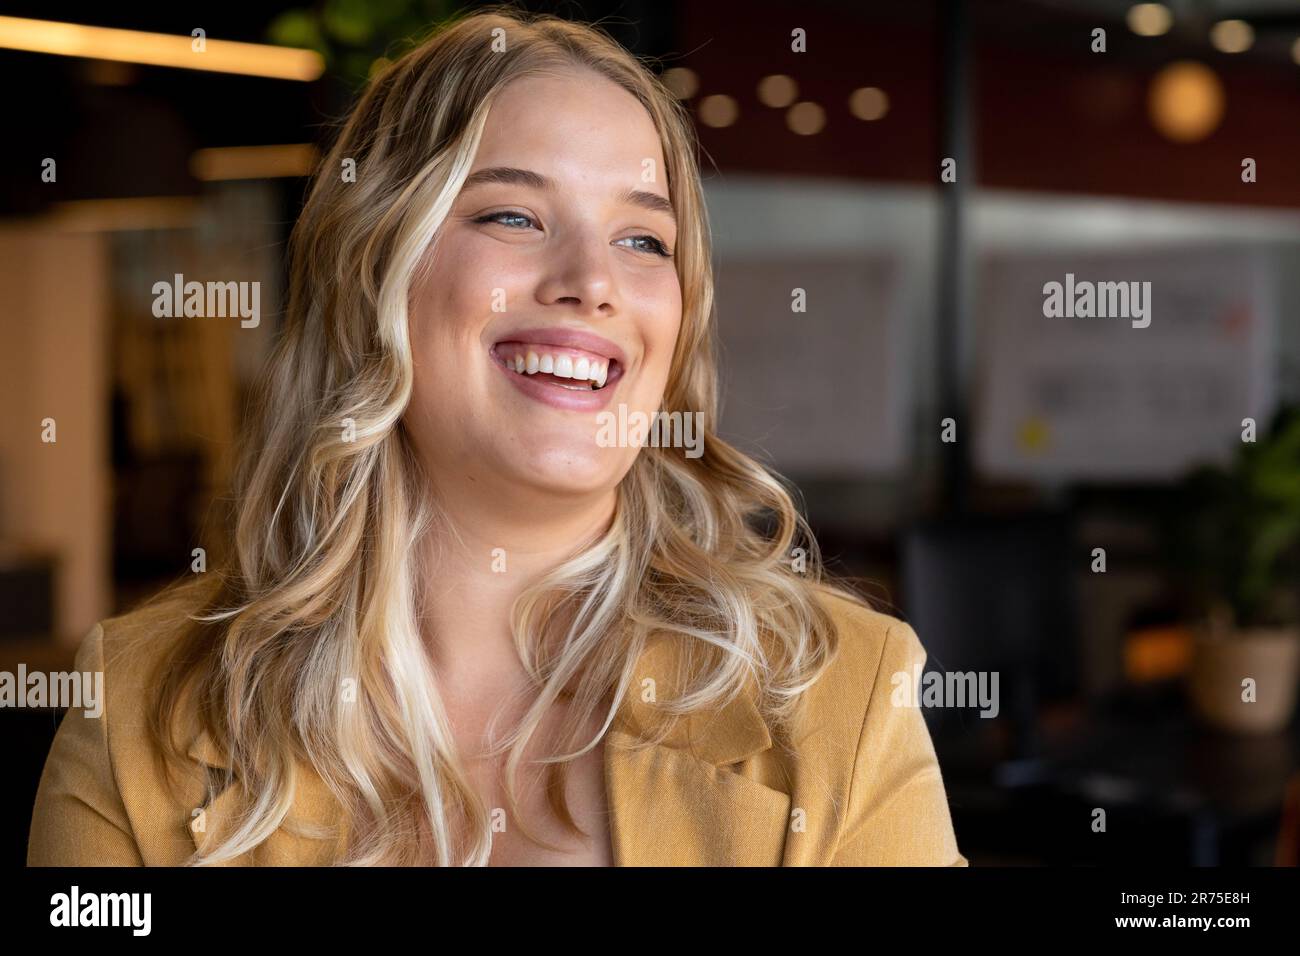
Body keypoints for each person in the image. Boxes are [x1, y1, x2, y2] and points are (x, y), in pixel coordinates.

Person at [28, 6, 967, 867]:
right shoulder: (137, 709)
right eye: (512, 215)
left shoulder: (843, 697)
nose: (592, 281)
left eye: (644, 240)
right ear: (374, 270)